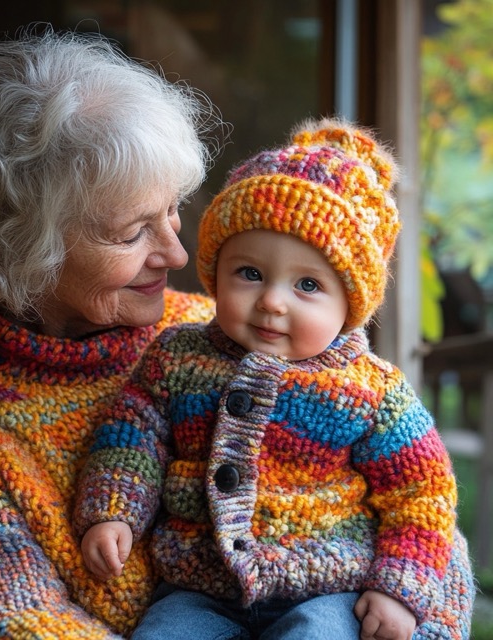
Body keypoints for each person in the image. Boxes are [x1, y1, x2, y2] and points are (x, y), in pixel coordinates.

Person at [0, 26, 227, 639]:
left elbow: (394, 521)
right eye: (132, 233)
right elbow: (16, 623)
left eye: (171, 210)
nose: (177, 253)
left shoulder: (208, 336)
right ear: (21, 248)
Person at [74, 118, 475, 640]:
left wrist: (399, 587)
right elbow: (132, 435)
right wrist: (113, 511)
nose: (271, 301)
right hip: (199, 591)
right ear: (215, 273)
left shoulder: (372, 391)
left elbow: (421, 492)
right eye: (249, 274)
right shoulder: (175, 358)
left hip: (327, 591)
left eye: (307, 284)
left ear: (351, 305)